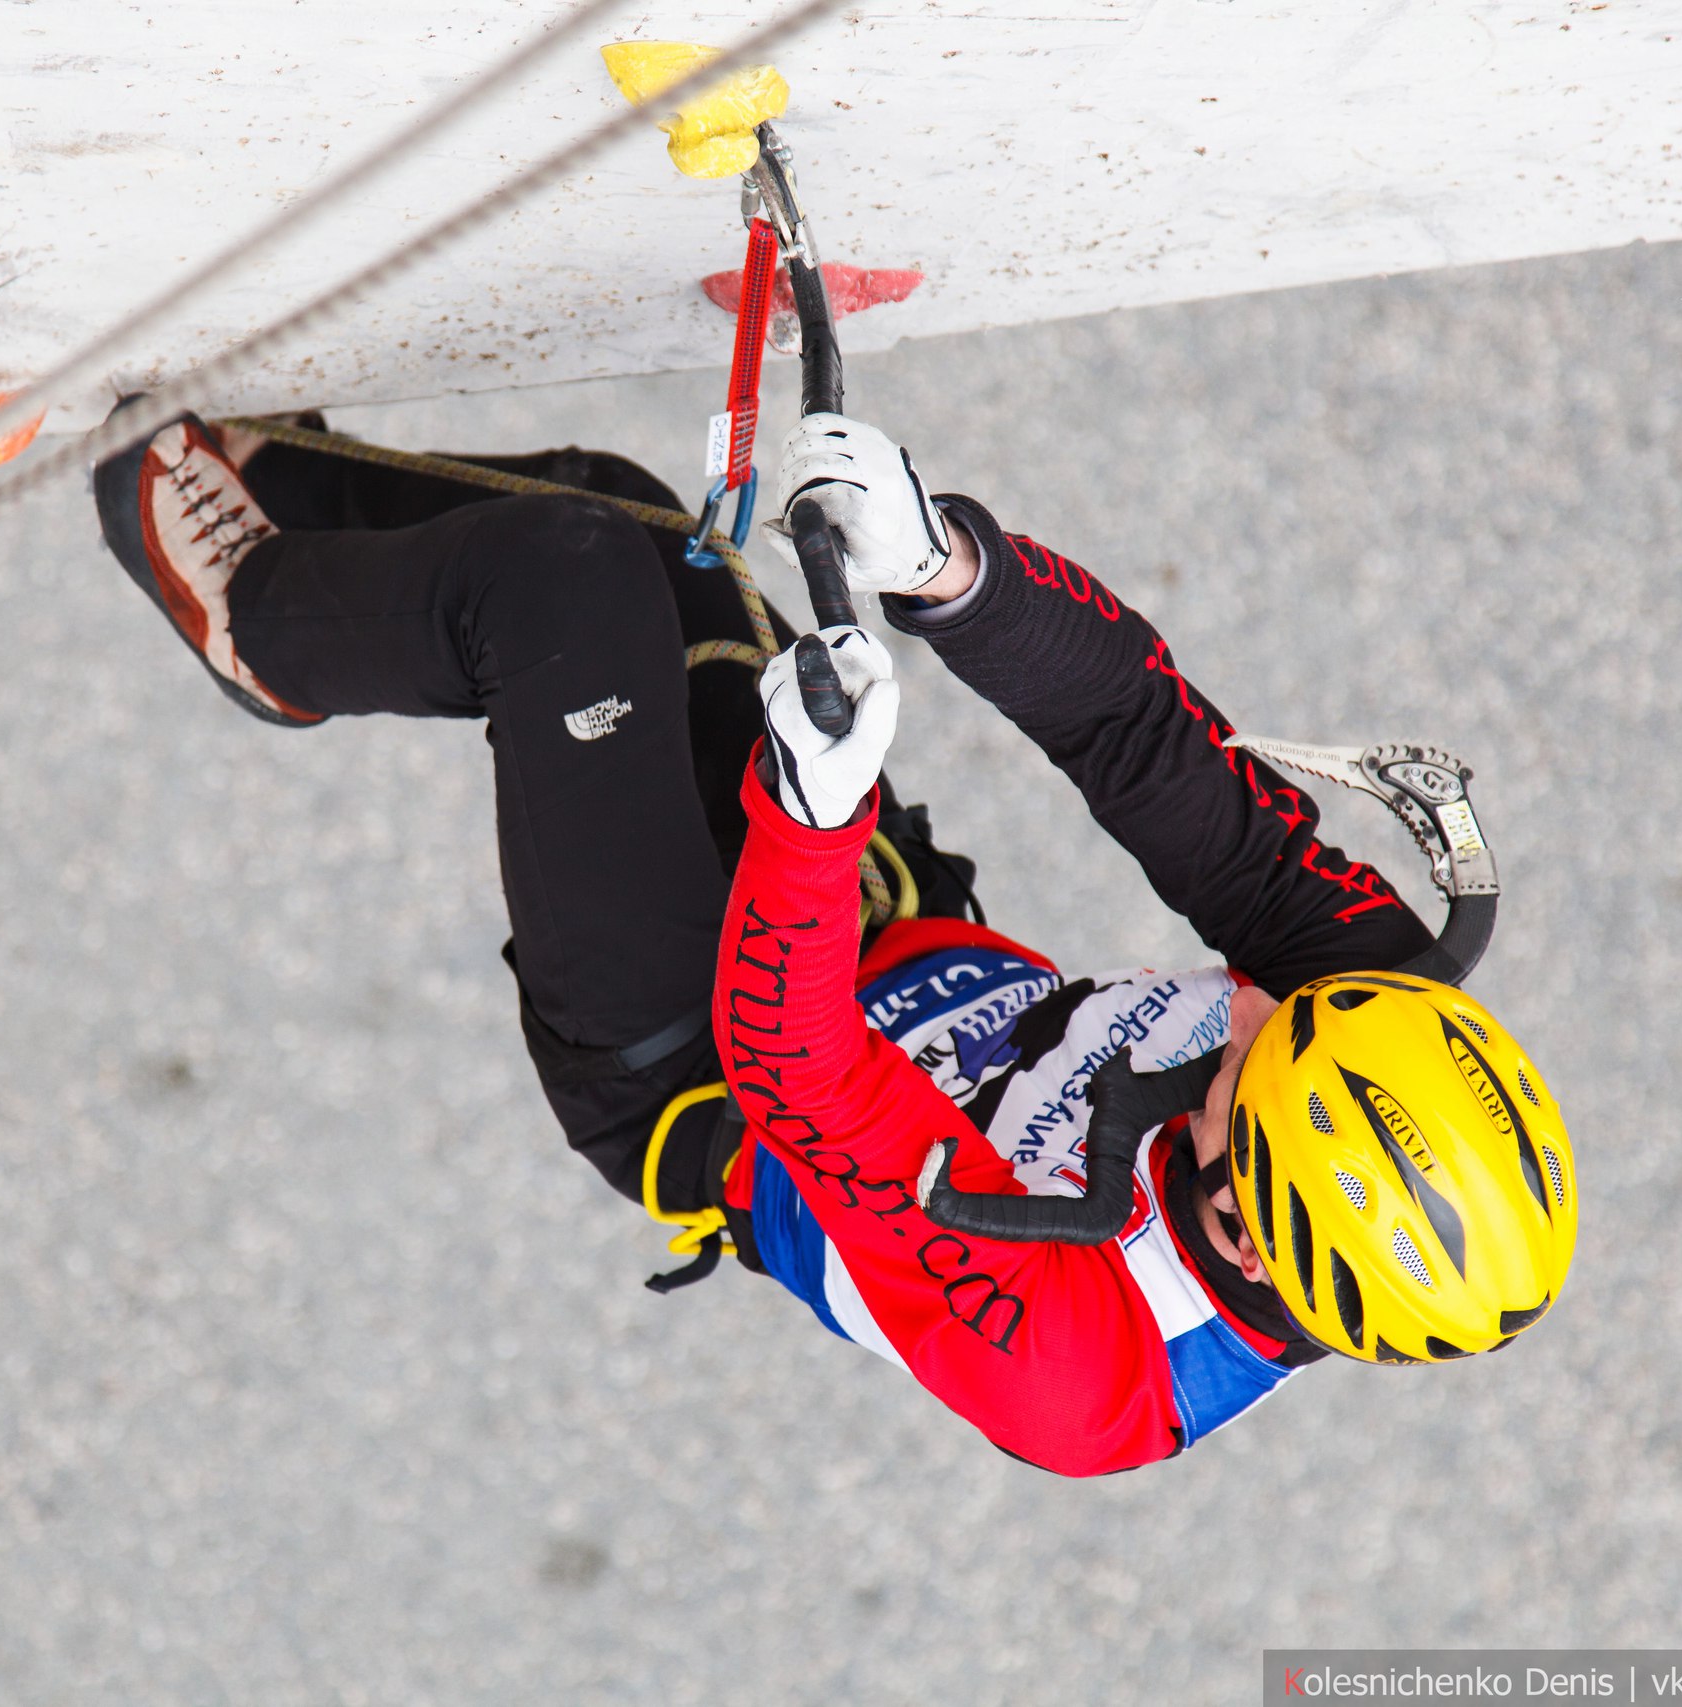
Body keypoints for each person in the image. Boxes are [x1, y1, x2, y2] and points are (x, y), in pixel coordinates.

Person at [92, 402, 1579, 1478]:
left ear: (1252, 1218)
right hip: (903, 941)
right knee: (631, 527)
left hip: (717, 1073)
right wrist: (952, 572)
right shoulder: (1362, 1023)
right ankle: (261, 459)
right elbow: (1140, 737)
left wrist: (809, 815)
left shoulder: (1079, 1361)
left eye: (1245, 1062)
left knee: (556, 592)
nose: (1259, 1009)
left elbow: (795, 1067)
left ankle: (255, 613)